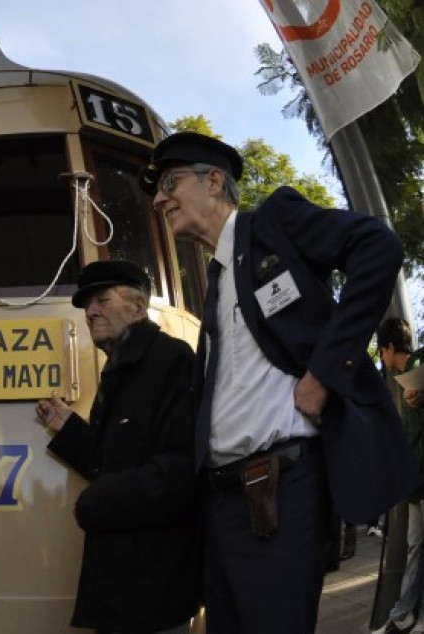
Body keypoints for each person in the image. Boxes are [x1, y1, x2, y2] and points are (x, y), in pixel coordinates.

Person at [142, 131, 419, 633]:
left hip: (279, 492)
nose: (159, 198)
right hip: (221, 504)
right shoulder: (216, 283)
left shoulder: (274, 224)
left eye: (169, 182)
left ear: (214, 181)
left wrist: (323, 375)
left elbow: (378, 248)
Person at [35, 260, 200, 634]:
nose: (91, 312)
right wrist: (69, 430)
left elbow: (179, 469)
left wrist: (98, 502)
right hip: (123, 583)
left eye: (102, 300)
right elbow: (113, 460)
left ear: (139, 307)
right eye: (88, 306)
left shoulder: (171, 360)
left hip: (155, 583)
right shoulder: (120, 369)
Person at [372, 317, 424, 634]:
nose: (382, 359)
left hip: (419, 477)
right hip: (416, 479)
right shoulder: (407, 377)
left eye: (381, 352)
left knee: (415, 547)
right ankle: (404, 612)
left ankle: (404, 612)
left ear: (390, 348)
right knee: (415, 547)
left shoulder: (418, 363)